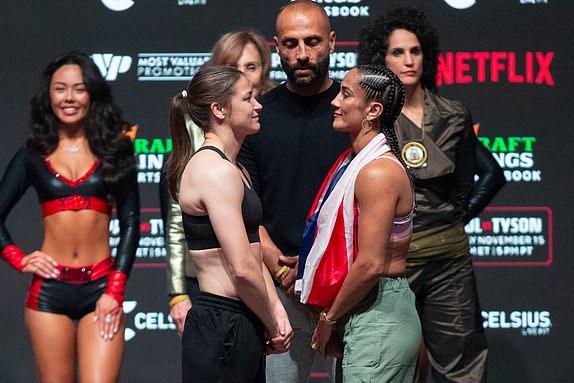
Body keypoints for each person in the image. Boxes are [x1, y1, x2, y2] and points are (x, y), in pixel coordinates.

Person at [358, 6, 505, 382]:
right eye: (397, 52)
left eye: (415, 50)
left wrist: (453, 218)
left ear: (427, 55)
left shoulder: (453, 113)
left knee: (462, 362)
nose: (409, 60)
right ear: (381, 59)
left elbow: (479, 175)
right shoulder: (372, 118)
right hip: (391, 263)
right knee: (385, 362)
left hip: (447, 261)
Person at [0, 51, 140, 383]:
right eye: (60, 88)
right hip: (49, 292)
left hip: (102, 289)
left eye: (79, 88)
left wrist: (115, 291)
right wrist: (19, 260)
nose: (69, 97)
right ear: (49, 95)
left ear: (92, 92)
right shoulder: (32, 155)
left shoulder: (115, 149)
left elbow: (132, 222)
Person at [238, 1, 349, 381]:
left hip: (350, 288)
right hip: (281, 288)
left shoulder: (356, 115)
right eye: (290, 44)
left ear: (332, 42)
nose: (302, 54)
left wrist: (319, 268)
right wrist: (279, 265)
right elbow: (245, 203)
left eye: (313, 41)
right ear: (276, 47)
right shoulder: (257, 116)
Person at [166, 64, 292, 382]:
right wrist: (273, 320)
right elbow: (241, 268)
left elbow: (252, 251)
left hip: (241, 319)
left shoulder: (234, 169)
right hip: (222, 323)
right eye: (248, 98)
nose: (258, 105)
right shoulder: (214, 170)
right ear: (219, 109)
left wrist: (275, 309)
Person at [297, 64, 421, 382]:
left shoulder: (377, 171)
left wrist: (328, 319)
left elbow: (369, 264)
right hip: (369, 312)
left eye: (346, 94)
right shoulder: (355, 161)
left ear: (373, 110)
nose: (335, 101)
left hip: (380, 313)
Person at [161, 29, 275, 334]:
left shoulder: (261, 123)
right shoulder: (204, 146)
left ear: (264, 70)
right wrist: (177, 293)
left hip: (260, 281)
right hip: (213, 290)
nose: (242, 76)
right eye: (232, 68)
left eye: (250, 67)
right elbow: (176, 217)